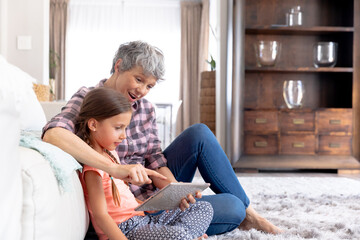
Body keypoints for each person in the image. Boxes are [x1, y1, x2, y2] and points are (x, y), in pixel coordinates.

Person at [42, 40, 281, 236]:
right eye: (138, 79)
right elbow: (54, 134)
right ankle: (181, 230)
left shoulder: (144, 108)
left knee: (200, 134)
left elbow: (156, 160)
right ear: (118, 66)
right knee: (232, 208)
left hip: (155, 197)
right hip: (126, 210)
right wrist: (114, 169)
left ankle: (250, 215)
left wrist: (176, 191)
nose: (142, 91)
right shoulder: (87, 97)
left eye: (150, 86)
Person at [75, 87, 213, 240]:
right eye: (118, 128)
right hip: (125, 229)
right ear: (93, 125)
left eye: (125, 128)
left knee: (203, 208)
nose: (123, 136)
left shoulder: (111, 154)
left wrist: (150, 205)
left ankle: (187, 237)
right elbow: (101, 215)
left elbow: (123, 197)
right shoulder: (93, 168)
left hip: (143, 218)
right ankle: (186, 237)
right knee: (178, 234)